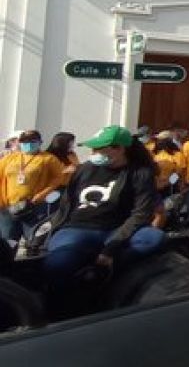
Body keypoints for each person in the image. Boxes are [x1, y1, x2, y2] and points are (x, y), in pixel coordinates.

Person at [43, 126, 163, 318]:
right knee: (58, 264)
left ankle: (110, 274)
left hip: (116, 229)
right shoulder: (84, 170)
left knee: (153, 237)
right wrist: (54, 230)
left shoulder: (140, 173)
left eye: (99, 148)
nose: (94, 153)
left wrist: (111, 250)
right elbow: (67, 204)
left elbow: (141, 213)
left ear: (119, 149)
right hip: (78, 229)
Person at [0, 130, 66, 246]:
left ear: (40, 142)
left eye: (33, 141)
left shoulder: (48, 159)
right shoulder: (10, 158)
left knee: (34, 242)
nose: (28, 145)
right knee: (7, 243)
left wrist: (41, 195)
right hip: (8, 208)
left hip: (34, 207)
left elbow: (58, 178)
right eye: (25, 142)